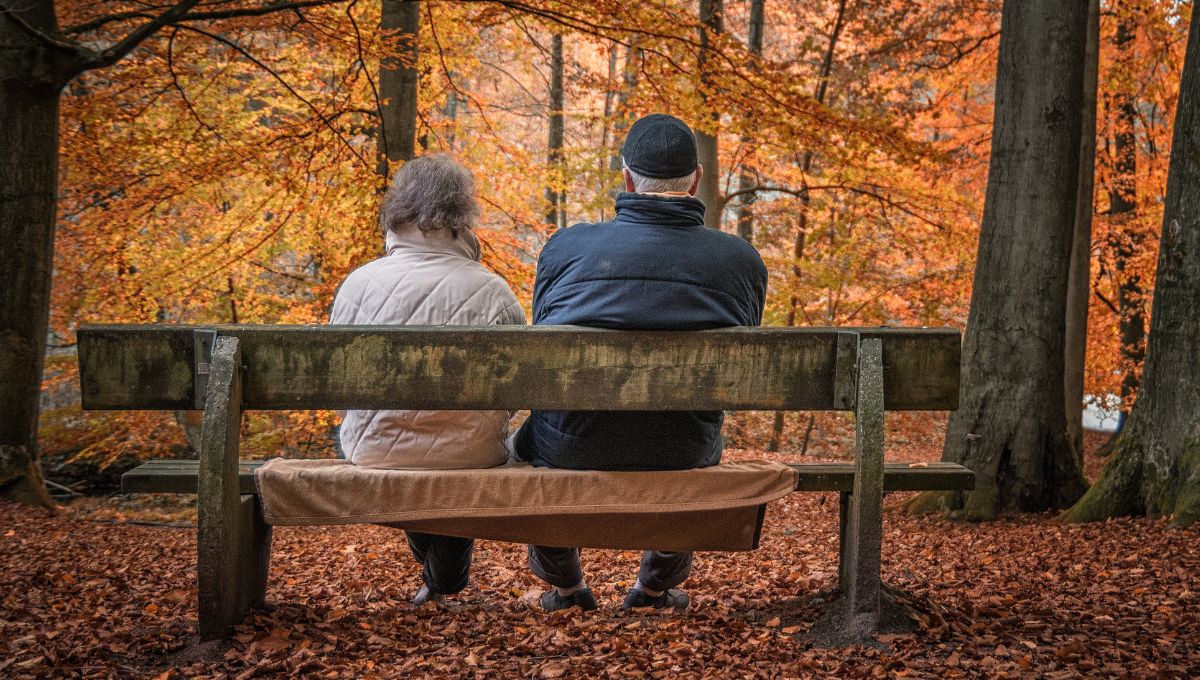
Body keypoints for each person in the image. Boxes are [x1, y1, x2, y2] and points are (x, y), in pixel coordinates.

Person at [512, 114, 768, 612]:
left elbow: (545, 335)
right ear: (695, 180)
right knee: (684, 432)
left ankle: (566, 588)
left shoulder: (565, 248)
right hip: (682, 446)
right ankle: (654, 589)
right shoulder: (739, 261)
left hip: (572, 445)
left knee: (537, 436)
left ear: (627, 178)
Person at [329, 154, 525, 606]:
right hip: (472, 451)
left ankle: (441, 580)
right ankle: (446, 580)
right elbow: (516, 388)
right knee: (455, 453)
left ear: (398, 211)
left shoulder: (358, 284)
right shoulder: (491, 289)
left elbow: (341, 389)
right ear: (463, 216)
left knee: (409, 455)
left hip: (373, 449)